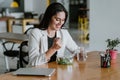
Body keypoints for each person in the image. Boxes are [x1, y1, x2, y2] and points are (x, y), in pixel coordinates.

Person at [27, 2, 84, 66]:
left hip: (56, 72)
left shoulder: (64, 33)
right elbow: (33, 62)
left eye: (63, 20)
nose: (60, 23)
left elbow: (76, 50)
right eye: (57, 19)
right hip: (38, 72)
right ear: (49, 17)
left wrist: (80, 53)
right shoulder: (35, 33)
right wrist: (53, 49)